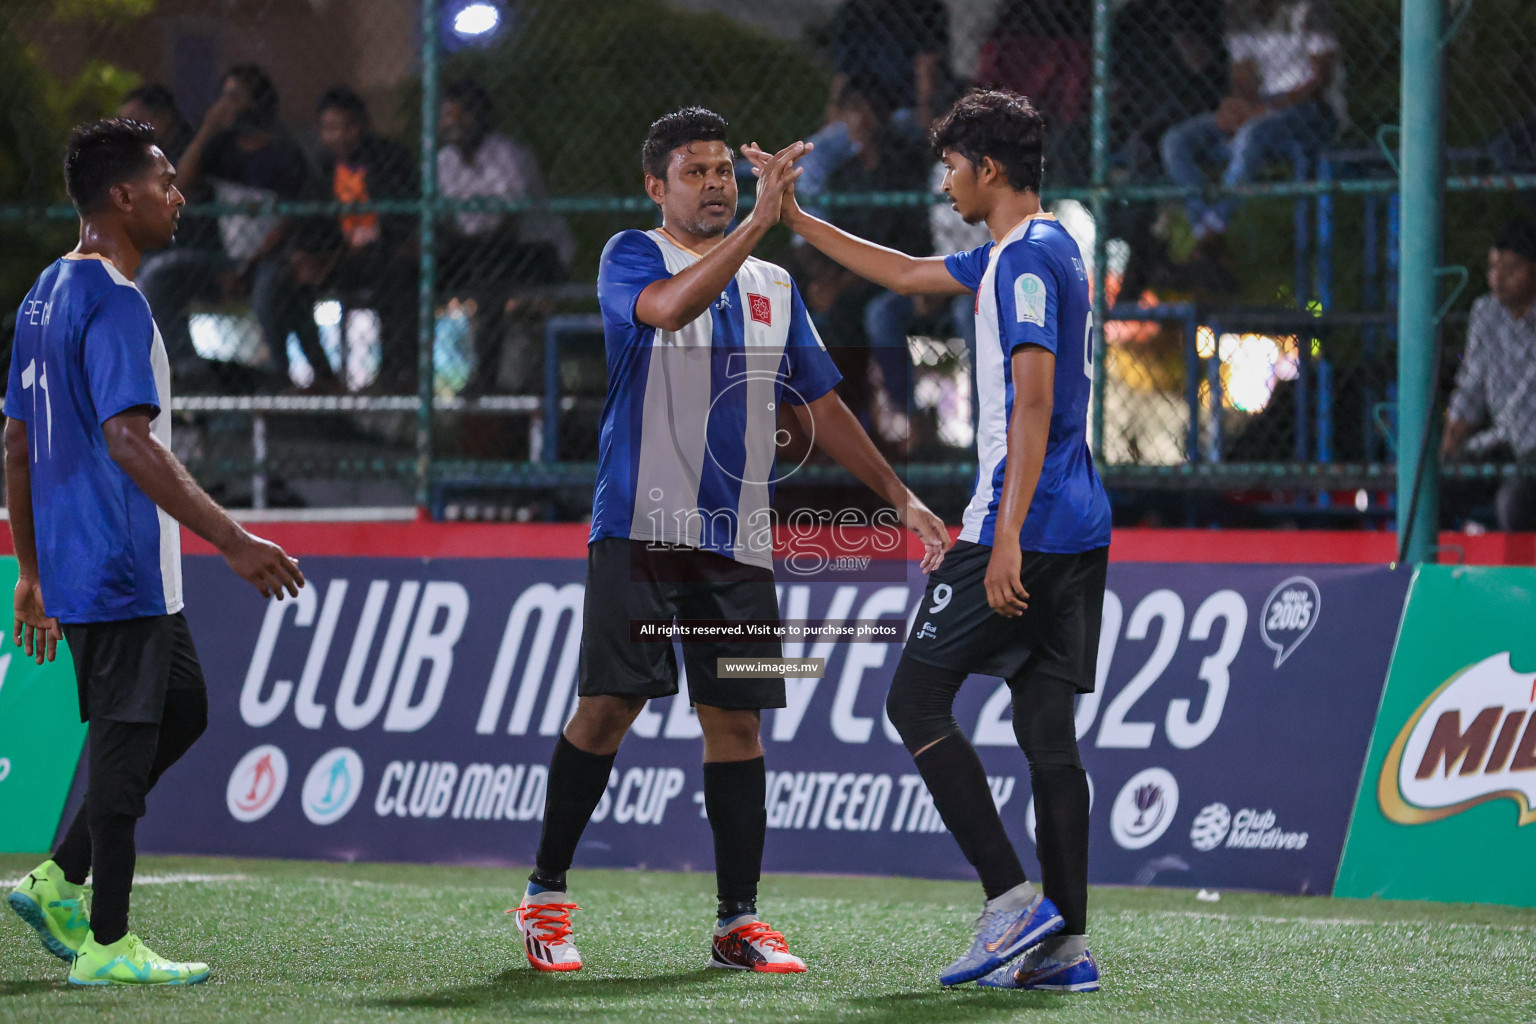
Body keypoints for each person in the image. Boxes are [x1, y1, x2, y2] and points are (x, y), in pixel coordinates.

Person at [515, 107, 950, 975]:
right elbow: (670, 308)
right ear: (657, 187)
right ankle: (546, 896)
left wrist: (898, 495)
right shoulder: (631, 256)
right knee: (608, 711)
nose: (715, 183)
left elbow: (820, 406)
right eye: (697, 172)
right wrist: (758, 220)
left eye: (725, 170)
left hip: (738, 538)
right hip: (640, 525)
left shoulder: (775, 288)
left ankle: (737, 922)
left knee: (739, 727)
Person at [745, 88, 1111, 992]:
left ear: (989, 169)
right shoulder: (1039, 247)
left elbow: (1031, 405)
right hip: (1082, 523)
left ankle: (1010, 902)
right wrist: (794, 215)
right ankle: (1065, 950)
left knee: (914, 701)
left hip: (1018, 526)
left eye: (952, 165)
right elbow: (907, 273)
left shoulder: (1019, 265)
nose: (944, 181)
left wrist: (1009, 538)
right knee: (1046, 733)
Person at [3, 118, 305, 986]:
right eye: (166, 181)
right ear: (123, 197)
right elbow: (131, 442)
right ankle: (106, 945)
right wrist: (234, 540)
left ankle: (60, 875)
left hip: (78, 562)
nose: (179, 196)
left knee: (183, 708)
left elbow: (16, 445)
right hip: (118, 563)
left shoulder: (42, 294)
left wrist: (29, 571)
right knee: (126, 750)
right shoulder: (117, 301)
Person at [139, 64, 337, 389]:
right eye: (224, 97)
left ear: (257, 103)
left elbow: (290, 221)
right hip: (227, 260)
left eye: (236, 98)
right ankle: (188, 366)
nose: (226, 105)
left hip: (271, 258)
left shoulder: (284, 152)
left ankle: (278, 376)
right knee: (161, 274)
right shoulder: (220, 149)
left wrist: (251, 266)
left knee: (269, 290)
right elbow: (179, 188)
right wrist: (208, 128)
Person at [1159, 0, 1343, 245]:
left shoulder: (1309, 9)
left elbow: (1319, 81)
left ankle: (1215, 225)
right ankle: (1203, 223)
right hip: (1261, 104)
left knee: (1252, 134)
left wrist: (1262, 110)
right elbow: (1243, 75)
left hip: (1310, 109)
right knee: (1175, 141)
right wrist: (1237, 105)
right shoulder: (1241, 13)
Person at [437, 77, 572, 393]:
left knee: (490, 276)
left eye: (461, 115)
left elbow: (508, 224)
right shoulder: (444, 162)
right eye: (447, 116)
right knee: (421, 269)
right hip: (480, 252)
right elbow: (452, 225)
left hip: (536, 251)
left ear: (480, 117)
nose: (453, 124)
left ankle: (485, 378)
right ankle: (404, 377)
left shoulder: (508, 155)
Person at [302, 86, 419, 391]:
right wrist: (309, 254)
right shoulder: (321, 167)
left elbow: (403, 220)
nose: (339, 137)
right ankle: (322, 375)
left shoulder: (389, 158)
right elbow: (311, 221)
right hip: (340, 257)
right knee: (283, 284)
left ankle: (397, 373)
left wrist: (376, 241)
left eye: (347, 127)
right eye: (330, 129)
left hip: (384, 255)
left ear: (363, 125)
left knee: (396, 276)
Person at [1441, 219, 1536, 531]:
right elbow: (1471, 387)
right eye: (1494, 267)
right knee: (1437, 487)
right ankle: (1438, 572)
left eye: (1511, 269)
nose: (1498, 278)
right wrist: (1452, 441)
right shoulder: (1486, 312)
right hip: (1504, 439)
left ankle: (1521, 577)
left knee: (1515, 500)